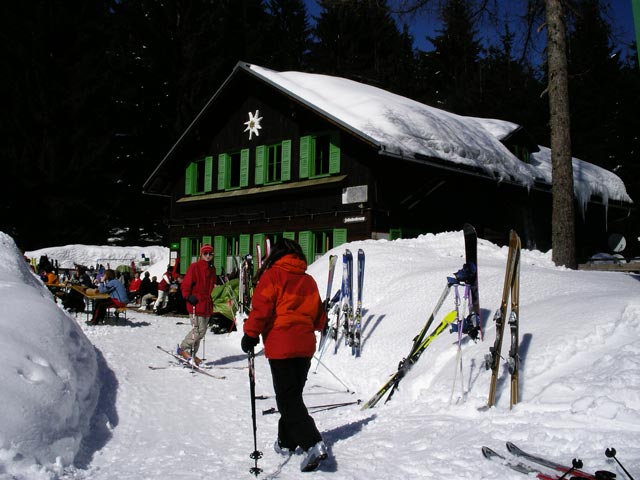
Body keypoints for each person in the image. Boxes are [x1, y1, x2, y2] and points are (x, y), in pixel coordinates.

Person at [240, 238, 328, 472]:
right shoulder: (308, 281)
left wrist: (250, 334)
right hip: (305, 344)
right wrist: (318, 320)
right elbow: (319, 318)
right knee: (292, 396)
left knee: (288, 399)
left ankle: (312, 442)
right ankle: (286, 441)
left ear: (275, 255)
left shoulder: (272, 276)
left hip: (282, 345)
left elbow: (261, 310)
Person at [176, 244, 217, 364]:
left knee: (201, 333)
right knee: (198, 331)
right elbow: (185, 284)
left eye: (210, 254)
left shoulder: (212, 269)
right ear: (201, 254)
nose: (208, 256)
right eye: (205, 253)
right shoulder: (195, 267)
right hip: (196, 303)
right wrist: (188, 296)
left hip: (206, 305)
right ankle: (183, 349)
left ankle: (192, 354)